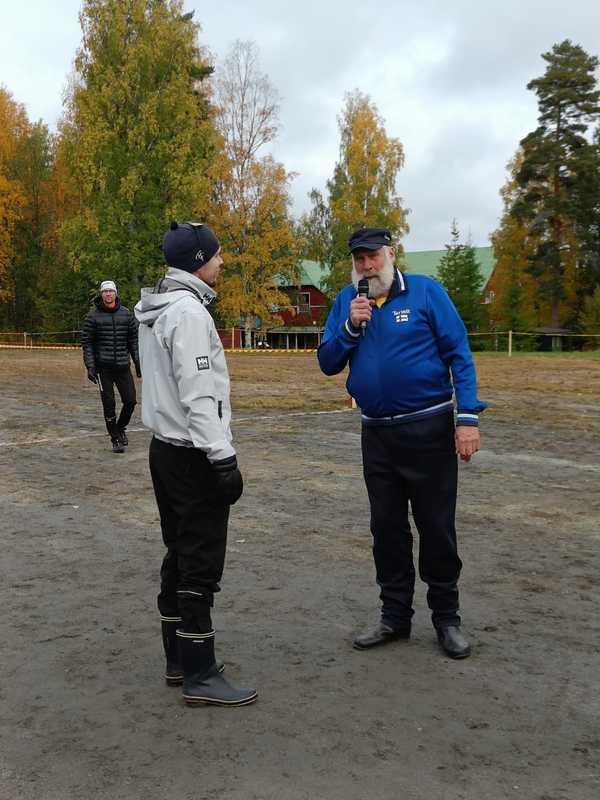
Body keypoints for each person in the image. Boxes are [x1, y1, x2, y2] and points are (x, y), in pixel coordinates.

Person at [317, 227, 486, 659]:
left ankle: (447, 618)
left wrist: (467, 418)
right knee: (386, 529)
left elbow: (459, 355)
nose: (366, 266)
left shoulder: (426, 293)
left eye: (373, 257)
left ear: (391, 254)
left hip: (428, 429)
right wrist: (350, 328)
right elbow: (327, 362)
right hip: (377, 434)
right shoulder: (347, 301)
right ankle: (394, 616)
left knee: (436, 526)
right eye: (359, 260)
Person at [135, 221, 257, 707]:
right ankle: (200, 673)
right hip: (191, 454)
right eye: (217, 254)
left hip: (165, 450)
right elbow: (198, 395)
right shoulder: (187, 313)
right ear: (198, 261)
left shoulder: (158, 306)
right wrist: (222, 458)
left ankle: (179, 658)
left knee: (179, 552)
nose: (222, 261)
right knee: (199, 562)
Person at [81, 280, 140, 454]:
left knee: (130, 401)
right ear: (101, 294)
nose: (108, 294)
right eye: (105, 291)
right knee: (109, 404)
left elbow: (133, 341)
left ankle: (120, 427)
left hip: (122, 366)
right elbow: (87, 343)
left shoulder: (127, 314)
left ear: (115, 293)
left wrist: (138, 363)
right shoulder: (92, 317)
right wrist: (90, 367)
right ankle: (115, 439)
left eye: (111, 291)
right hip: (103, 369)